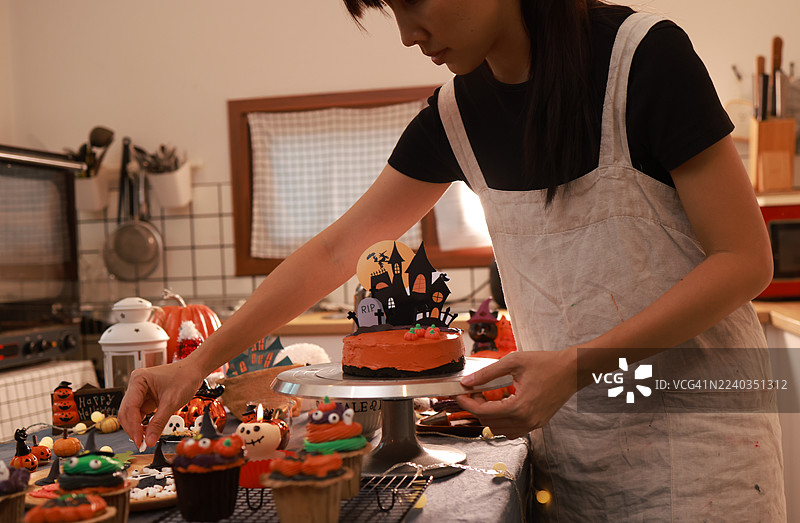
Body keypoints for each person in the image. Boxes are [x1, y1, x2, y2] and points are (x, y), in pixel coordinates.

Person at [120, 0, 786, 519]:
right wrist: (197, 361)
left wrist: (578, 364)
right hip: (574, 456)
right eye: (392, 13)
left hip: (702, 456)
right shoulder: (456, 114)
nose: (409, 33)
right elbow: (334, 251)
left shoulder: (644, 60)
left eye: (414, 2)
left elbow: (744, 258)